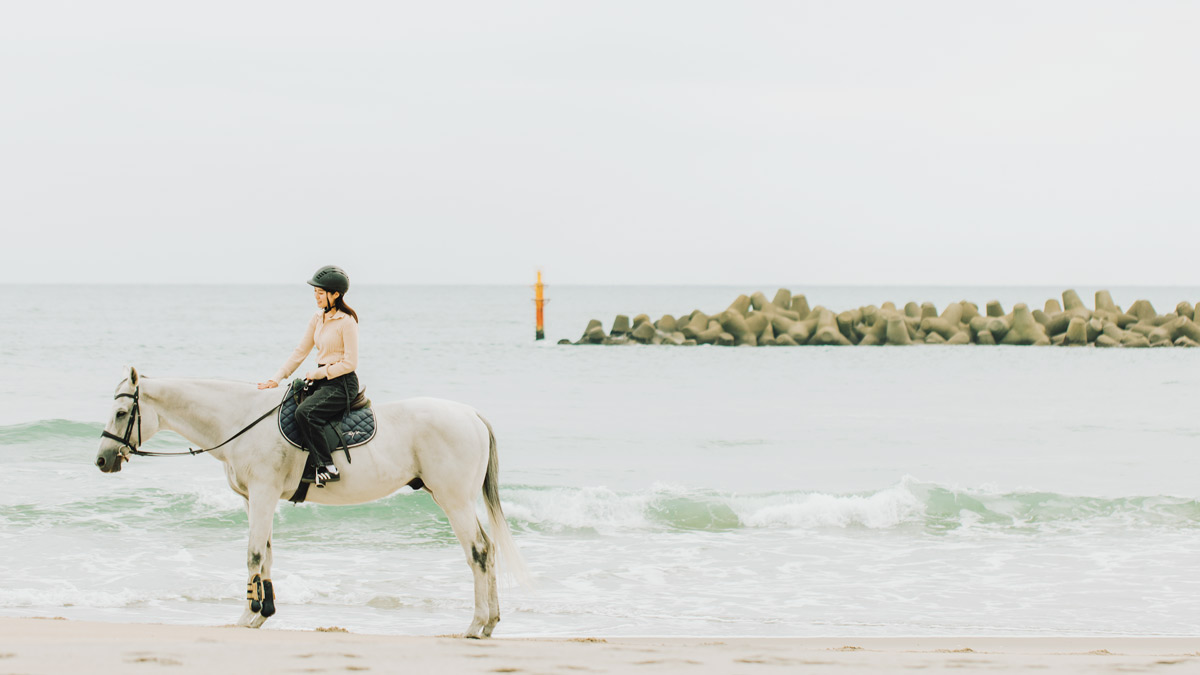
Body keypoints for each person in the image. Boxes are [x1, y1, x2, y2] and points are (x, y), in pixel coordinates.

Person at [257, 265, 360, 487]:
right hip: (322, 381)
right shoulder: (317, 318)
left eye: (320, 293)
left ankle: (327, 466)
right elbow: (300, 352)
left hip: (341, 383)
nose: (316, 297)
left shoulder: (347, 322)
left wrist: (319, 372)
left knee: (306, 412)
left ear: (335, 294)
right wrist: (277, 378)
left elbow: (350, 363)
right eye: (315, 292)